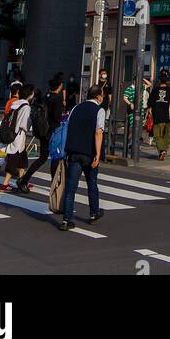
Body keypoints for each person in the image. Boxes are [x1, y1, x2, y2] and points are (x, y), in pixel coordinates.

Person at [59, 84, 106, 230]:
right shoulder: (99, 110)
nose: (103, 97)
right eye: (102, 95)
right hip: (89, 153)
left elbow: (68, 128)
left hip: (73, 152)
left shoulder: (75, 108)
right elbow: (98, 132)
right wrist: (98, 154)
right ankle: (94, 213)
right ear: (98, 96)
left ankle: (67, 220)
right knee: (92, 183)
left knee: (71, 187)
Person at [16, 76, 64, 193]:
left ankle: (24, 179)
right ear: (59, 87)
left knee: (42, 158)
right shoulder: (57, 99)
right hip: (52, 132)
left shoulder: (45, 96)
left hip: (42, 131)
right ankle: (54, 184)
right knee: (55, 158)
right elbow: (57, 118)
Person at [0, 83, 34, 193]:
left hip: (12, 135)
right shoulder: (26, 107)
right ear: (30, 94)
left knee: (22, 161)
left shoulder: (16, 104)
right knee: (13, 161)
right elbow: (24, 125)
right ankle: (5, 185)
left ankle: (22, 181)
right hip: (18, 136)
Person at [149, 69, 170, 160]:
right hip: (168, 116)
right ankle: (164, 149)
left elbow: (150, 102)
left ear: (159, 78)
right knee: (166, 135)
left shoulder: (155, 89)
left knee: (157, 135)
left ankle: (161, 150)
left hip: (157, 116)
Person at [124, 76, 150, 146]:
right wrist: (130, 103)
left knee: (139, 125)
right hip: (132, 110)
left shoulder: (141, 87)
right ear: (134, 81)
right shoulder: (129, 88)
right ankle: (130, 142)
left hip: (140, 109)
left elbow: (150, 84)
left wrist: (143, 78)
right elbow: (125, 97)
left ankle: (135, 141)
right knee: (133, 126)